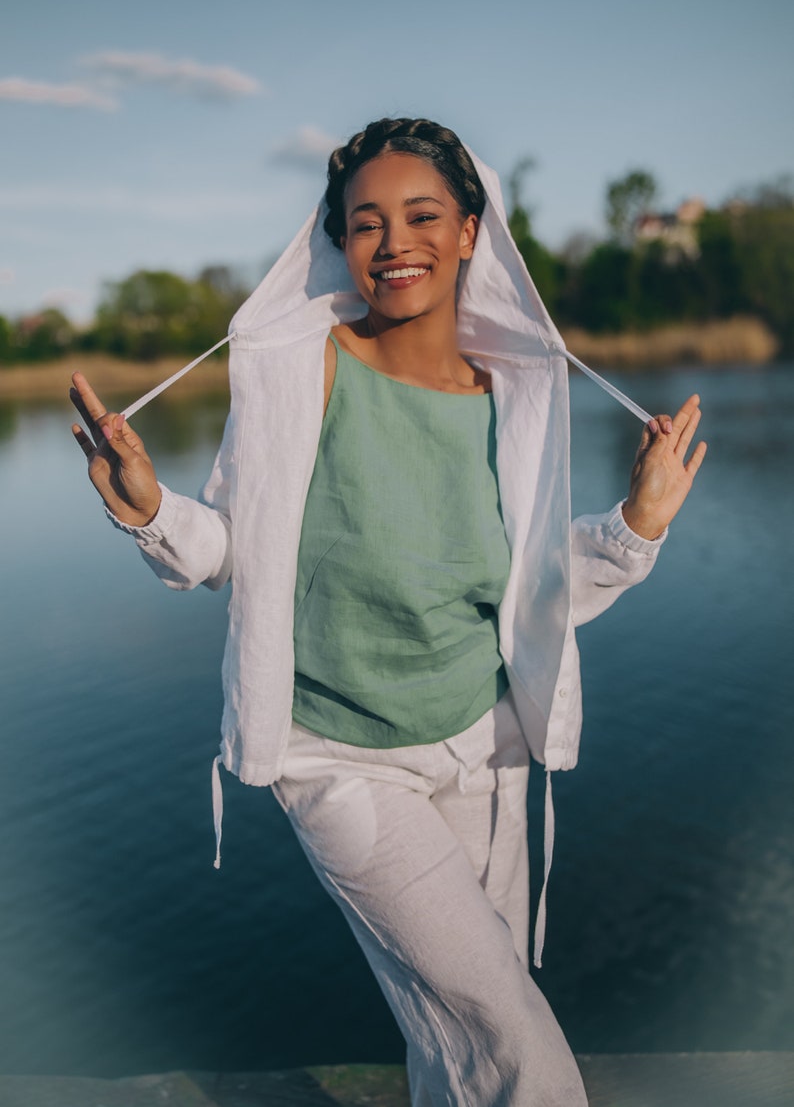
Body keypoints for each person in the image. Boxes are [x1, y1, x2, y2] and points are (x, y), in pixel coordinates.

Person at [70, 117, 706, 1106]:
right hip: (340, 765)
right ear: (339, 243)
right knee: (499, 1019)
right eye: (365, 222)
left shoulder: (508, 395)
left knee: (451, 1027)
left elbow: (527, 592)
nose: (393, 241)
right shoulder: (304, 369)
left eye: (420, 215)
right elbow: (244, 552)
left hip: (477, 755)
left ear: (467, 231)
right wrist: (152, 513)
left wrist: (635, 524)